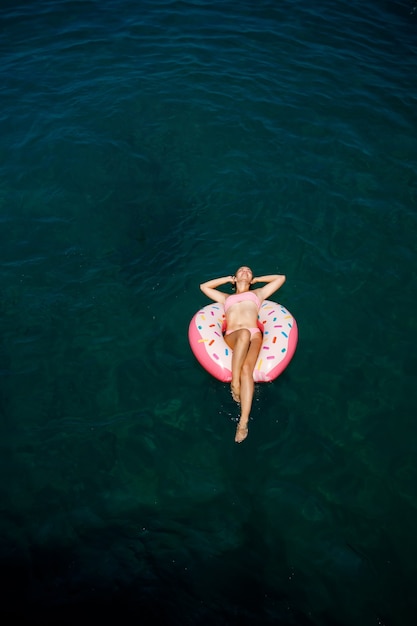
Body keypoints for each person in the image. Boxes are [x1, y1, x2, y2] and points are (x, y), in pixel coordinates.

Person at [200, 266, 286, 443]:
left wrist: (258, 280)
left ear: (252, 278)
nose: (246, 272)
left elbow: (281, 278)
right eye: (242, 270)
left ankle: (243, 421)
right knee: (244, 334)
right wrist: (226, 279)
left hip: (255, 334)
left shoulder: (258, 294)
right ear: (235, 277)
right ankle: (234, 383)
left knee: (248, 369)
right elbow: (204, 287)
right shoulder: (226, 298)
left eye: (249, 271)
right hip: (234, 335)